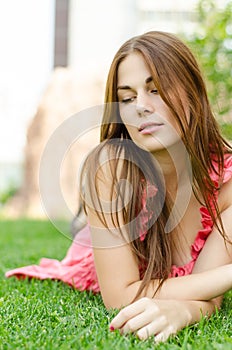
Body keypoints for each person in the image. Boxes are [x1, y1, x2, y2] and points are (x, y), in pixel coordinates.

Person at [6, 31, 232, 343]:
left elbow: (209, 289)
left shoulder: (227, 185)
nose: (141, 106)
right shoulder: (110, 167)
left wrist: (187, 311)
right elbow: (121, 295)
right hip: (115, 242)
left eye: (157, 89)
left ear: (193, 92)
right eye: (127, 98)